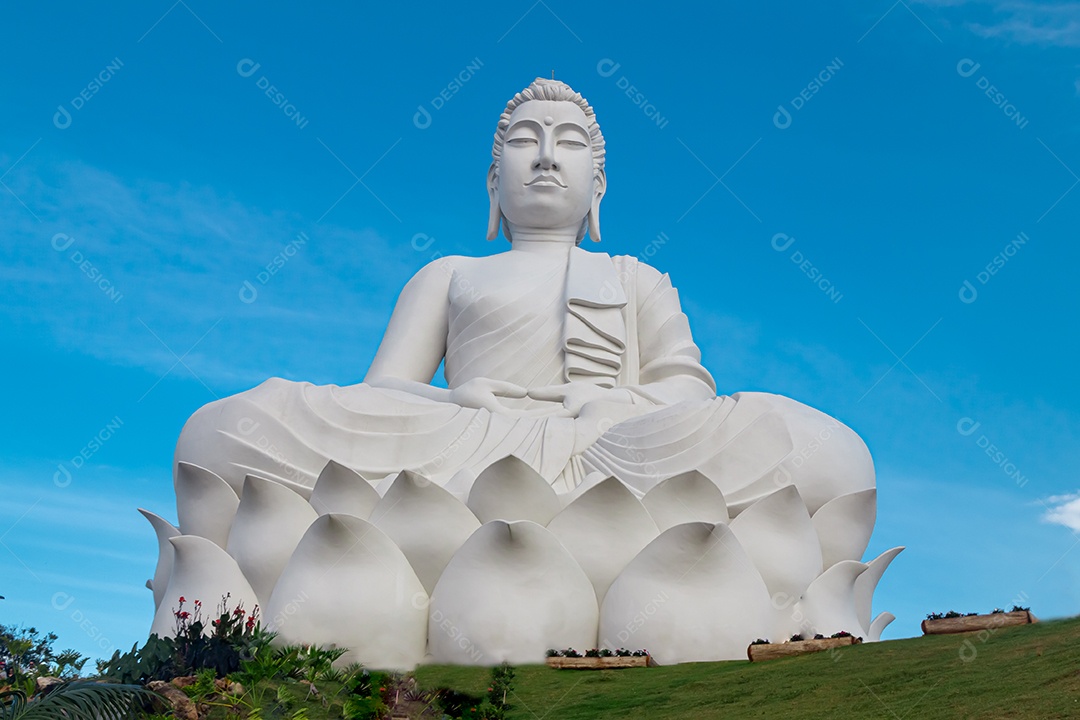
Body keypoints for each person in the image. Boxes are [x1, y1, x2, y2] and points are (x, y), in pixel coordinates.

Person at [174, 78, 873, 513]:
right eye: (523, 142)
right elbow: (384, 391)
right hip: (460, 439)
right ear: (491, 181)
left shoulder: (638, 278)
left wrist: (612, 404)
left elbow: (686, 393)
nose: (543, 156)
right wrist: (453, 401)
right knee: (223, 429)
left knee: (825, 453)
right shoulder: (448, 273)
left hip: (614, 446)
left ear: (597, 186)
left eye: (567, 143)